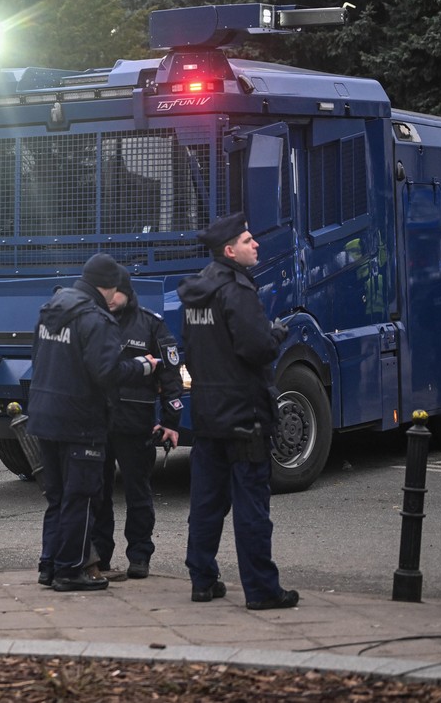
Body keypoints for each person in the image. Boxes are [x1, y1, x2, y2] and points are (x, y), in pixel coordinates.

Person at [175, 212, 296, 610]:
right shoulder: (237, 290)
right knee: (251, 508)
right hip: (246, 415)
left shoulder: (198, 292)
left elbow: (191, 350)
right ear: (230, 251)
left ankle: (202, 580)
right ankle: (262, 590)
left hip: (209, 414)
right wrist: (275, 334)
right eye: (248, 240)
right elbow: (256, 348)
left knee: (206, 503)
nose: (256, 244)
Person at [27, 253, 158, 592]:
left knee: (57, 498)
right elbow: (107, 372)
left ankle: (49, 565)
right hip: (79, 421)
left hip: (44, 416)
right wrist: (142, 367)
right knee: (81, 497)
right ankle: (71, 570)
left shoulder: (54, 306)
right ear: (108, 287)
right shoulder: (95, 318)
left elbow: (39, 357)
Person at [91, 269, 183, 581]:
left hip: (136, 424)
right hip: (98, 424)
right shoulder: (94, 321)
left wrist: (172, 421)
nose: (109, 298)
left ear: (127, 292)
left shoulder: (150, 324)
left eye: (114, 292)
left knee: (138, 494)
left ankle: (139, 555)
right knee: (97, 494)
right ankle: (99, 556)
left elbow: (170, 375)